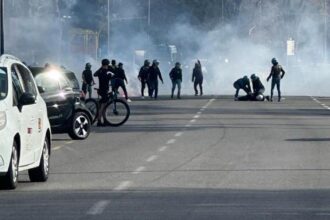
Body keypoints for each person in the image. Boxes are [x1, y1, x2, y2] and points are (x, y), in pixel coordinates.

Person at [93, 59, 112, 127]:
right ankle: (99, 121)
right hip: (104, 90)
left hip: (101, 90)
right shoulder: (104, 72)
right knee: (103, 106)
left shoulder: (101, 70)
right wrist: (109, 76)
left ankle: (104, 120)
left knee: (103, 106)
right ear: (106, 65)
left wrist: (100, 68)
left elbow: (94, 74)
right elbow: (106, 79)